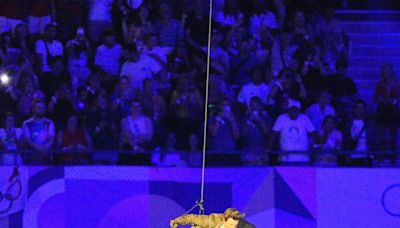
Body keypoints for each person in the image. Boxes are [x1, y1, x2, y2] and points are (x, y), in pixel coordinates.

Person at [268, 99, 319, 165]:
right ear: (288, 110)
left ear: (299, 110)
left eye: (295, 109)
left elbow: (313, 134)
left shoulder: (304, 118)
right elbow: (274, 134)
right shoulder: (281, 118)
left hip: (303, 158)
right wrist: (269, 147)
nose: (293, 111)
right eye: (291, 109)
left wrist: (317, 145)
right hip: (286, 158)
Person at [22, 100, 55, 164]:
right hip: (32, 156)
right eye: (39, 108)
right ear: (33, 109)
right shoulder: (26, 123)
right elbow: (28, 140)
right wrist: (39, 148)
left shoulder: (49, 123)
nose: (41, 110)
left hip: (46, 156)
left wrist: (46, 147)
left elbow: (51, 138)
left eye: (43, 108)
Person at [170, 208, 254, 228]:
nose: (233, 227)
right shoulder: (212, 220)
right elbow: (192, 218)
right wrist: (177, 221)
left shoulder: (240, 224)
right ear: (224, 220)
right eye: (231, 224)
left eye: (235, 226)